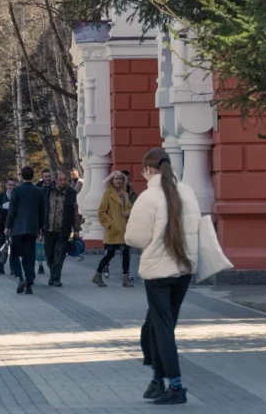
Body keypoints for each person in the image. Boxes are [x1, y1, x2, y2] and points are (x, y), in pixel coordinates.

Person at [125, 148, 200, 405]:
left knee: (163, 329)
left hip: (158, 272)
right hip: (184, 270)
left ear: (149, 169)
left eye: (143, 170)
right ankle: (158, 380)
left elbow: (135, 238)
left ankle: (175, 386)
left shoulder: (148, 197)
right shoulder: (187, 192)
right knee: (156, 326)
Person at [6, 166, 45, 295]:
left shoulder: (17, 190)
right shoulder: (39, 191)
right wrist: (40, 228)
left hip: (17, 229)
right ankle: (29, 285)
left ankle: (20, 277)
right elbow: (42, 211)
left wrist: (7, 226)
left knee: (15, 255)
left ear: (22, 176)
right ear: (33, 176)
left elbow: (12, 210)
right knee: (29, 257)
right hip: (32, 229)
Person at [92, 171, 134, 287]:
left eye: (120, 178)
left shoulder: (124, 193)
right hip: (113, 230)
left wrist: (129, 212)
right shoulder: (108, 193)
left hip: (124, 229)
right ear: (112, 181)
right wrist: (110, 224)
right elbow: (101, 211)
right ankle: (97, 275)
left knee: (126, 253)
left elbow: (130, 207)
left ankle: (125, 278)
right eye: (116, 179)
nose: (119, 181)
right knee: (110, 254)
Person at [42, 171, 82, 287]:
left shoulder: (71, 193)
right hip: (48, 228)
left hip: (63, 229)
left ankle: (56, 278)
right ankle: (52, 274)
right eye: (60, 180)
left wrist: (76, 229)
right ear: (55, 180)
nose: (63, 182)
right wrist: (39, 227)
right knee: (49, 254)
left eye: (64, 180)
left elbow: (75, 211)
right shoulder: (47, 191)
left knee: (59, 255)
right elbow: (41, 209)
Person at [0, 177, 16, 275]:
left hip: (15, 226)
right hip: (3, 226)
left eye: (13, 185)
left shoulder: (18, 196)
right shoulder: (0, 197)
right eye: (10, 185)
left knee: (14, 247)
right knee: (3, 246)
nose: (11, 187)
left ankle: (13, 267)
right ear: (6, 185)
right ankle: (1, 265)